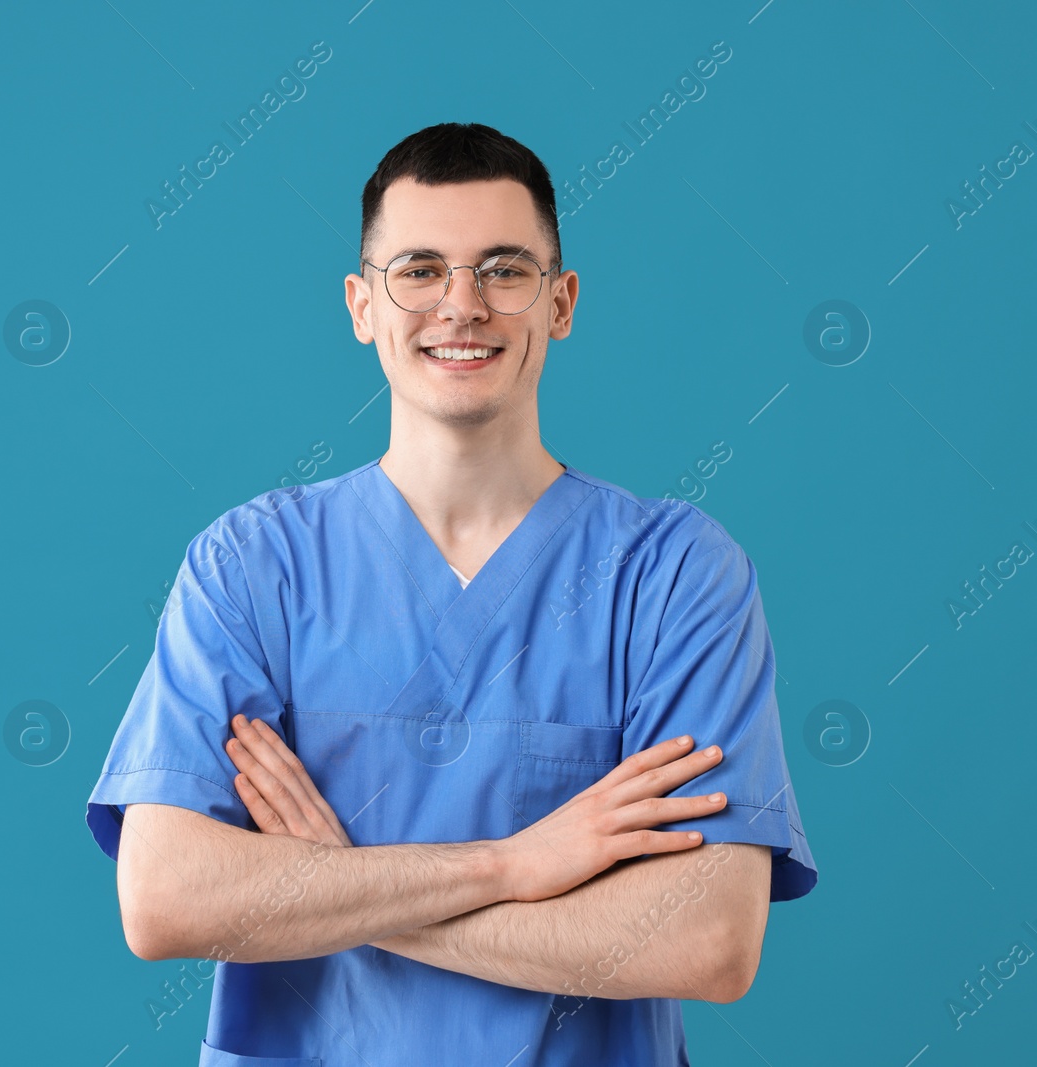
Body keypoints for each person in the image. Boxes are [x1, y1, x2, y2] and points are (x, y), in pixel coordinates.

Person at [84, 122, 816, 1066]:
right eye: (419, 270)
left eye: (505, 270)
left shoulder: (674, 575)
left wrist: (340, 884)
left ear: (561, 303)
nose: (461, 306)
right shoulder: (252, 566)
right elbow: (166, 899)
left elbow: (706, 938)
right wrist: (512, 863)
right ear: (360, 304)